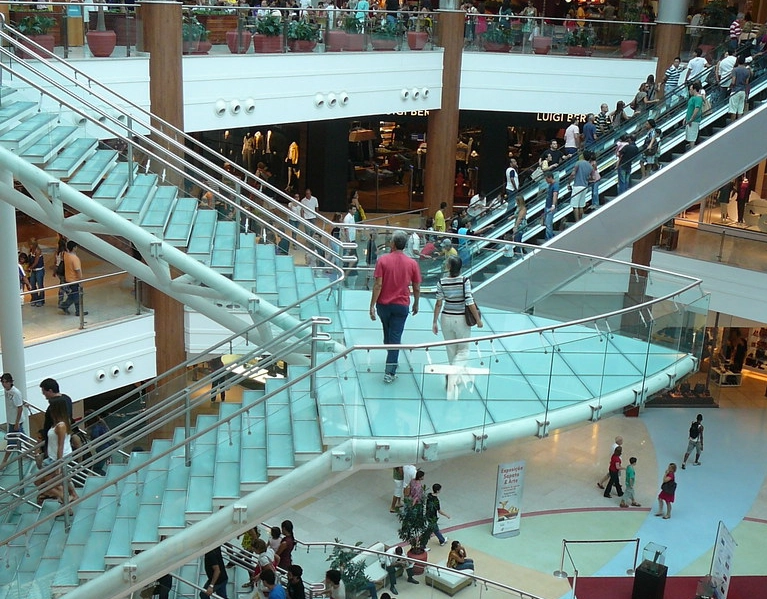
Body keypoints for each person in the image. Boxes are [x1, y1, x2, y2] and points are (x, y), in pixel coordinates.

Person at [369, 230, 422, 384]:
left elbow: (378, 285)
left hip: (383, 305)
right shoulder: (412, 263)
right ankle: (392, 363)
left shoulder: (382, 261)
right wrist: (417, 302)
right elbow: (417, 286)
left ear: (392, 243)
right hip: (401, 305)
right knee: (395, 336)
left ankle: (391, 365)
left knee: (389, 335)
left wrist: (372, 305)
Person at [432, 256, 483, 380]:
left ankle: (453, 375)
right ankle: (453, 374)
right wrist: (478, 319)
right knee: (463, 349)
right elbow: (469, 301)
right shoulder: (464, 281)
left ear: (449, 267)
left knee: (451, 349)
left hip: (445, 318)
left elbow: (439, 303)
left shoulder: (441, 282)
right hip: (461, 319)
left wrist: (434, 321)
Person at [0, 373, 25, 470]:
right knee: (21, 437)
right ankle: (32, 452)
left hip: (15, 421)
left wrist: (17, 422)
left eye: (6, 382)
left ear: (10, 382)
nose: (4, 384)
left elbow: (20, 408)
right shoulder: (7, 391)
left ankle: (4, 461)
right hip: (11, 420)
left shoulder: (16, 392)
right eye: (3, 382)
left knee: (11, 441)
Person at [59, 241, 87, 317]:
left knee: (73, 295)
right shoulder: (75, 258)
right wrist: (81, 280)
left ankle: (70, 308)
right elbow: (78, 270)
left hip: (68, 279)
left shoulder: (66, 255)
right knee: (76, 296)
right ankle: (73, 309)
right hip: (74, 280)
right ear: (74, 248)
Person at [568, 150, 592, 222]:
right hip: (585, 186)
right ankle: (581, 220)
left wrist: (568, 182)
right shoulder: (590, 166)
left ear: (583, 156)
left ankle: (577, 221)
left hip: (577, 185)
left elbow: (573, 174)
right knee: (581, 205)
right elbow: (591, 177)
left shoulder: (578, 163)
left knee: (575, 205)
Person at [728, 55, 751, 122]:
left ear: (737, 61)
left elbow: (733, 81)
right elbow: (747, 83)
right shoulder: (747, 71)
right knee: (740, 109)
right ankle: (739, 123)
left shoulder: (735, 70)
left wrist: (730, 86)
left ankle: (732, 124)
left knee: (733, 110)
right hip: (743, 91)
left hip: (735, 90)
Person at [684, 82, 704, 150]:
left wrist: (691, 119)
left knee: (692, 137)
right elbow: (690, 109)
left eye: (690, 89)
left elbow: (697, 108)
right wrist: (685, 118)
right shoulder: (692, 98)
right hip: (689, 120)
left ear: (694, 89)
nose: (690, 91)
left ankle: (692, 149)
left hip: (693, 121)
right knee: (689, 136)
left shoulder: (698, 98)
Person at [28, 240, 46, 306]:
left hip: (39, 270)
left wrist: (30, 268)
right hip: (34, 271)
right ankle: (34, 298)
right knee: (32, 284)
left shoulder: (38, 251)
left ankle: (41, 300)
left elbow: (36, 262)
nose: (30, 246)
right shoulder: (30, 250)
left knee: (40, 285)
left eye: (31, 244)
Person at [543, 172, 558, 241]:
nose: (546, 181)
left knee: (548, 224)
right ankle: (550, 236)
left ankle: (548, 238)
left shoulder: (555, 185)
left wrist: (553, 205)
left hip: (550, 206)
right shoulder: (550, 185)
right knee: (547, 223)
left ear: (550, 178)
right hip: (547, 206)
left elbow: (555, 195)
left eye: (546, 179)